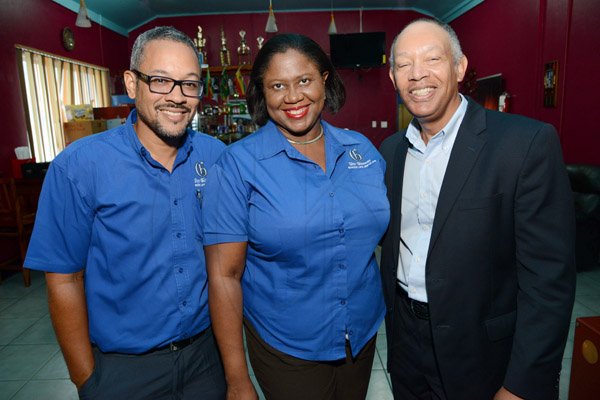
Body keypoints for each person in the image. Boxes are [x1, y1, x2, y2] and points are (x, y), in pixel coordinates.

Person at [24, 26, 226, 399]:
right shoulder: (80, 166)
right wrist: (88, 380)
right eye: (161, 81)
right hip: (123, 371)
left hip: (205, 361)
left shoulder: (216, 158)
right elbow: (63, 280)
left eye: (190, 84)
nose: (177, 97)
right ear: (132, 84)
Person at [379, 18, 576, 400]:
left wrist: (521, 385)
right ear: (393, 78)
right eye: (403, 65)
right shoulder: (390, 152)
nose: (417, 75)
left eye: (432, 59)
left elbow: (549, 283)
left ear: (460, 67)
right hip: (407, 347)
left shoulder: (525, 144)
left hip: (485, 356)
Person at [202, 33, 390, 400]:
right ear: (262, 92)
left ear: (324, 79)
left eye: (304, 80)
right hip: (287, 346)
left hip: (362, 334)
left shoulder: (361, 150)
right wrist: (236, 379)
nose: (293, 97)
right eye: (277, 85)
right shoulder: (238, 166)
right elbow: (224, 276)